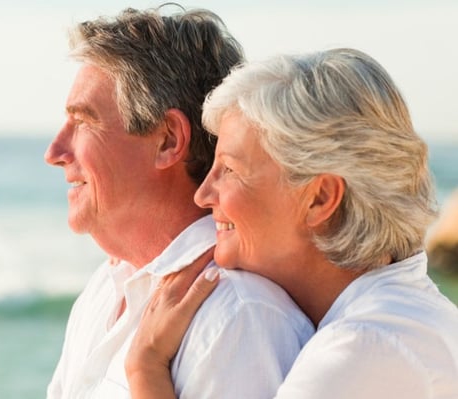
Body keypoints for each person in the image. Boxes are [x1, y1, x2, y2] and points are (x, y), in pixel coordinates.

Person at [127, 48, 458, 399]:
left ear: (319, 199)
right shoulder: (407, 319)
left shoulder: (362, 349)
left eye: (230, 170)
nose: (204, 194)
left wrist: (146, 367)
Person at [44, 4, 315, 399]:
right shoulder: (106, 288)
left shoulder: (240, 316)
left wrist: (146, 368)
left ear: (169, 140)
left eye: (84, 121)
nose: (54, 151)